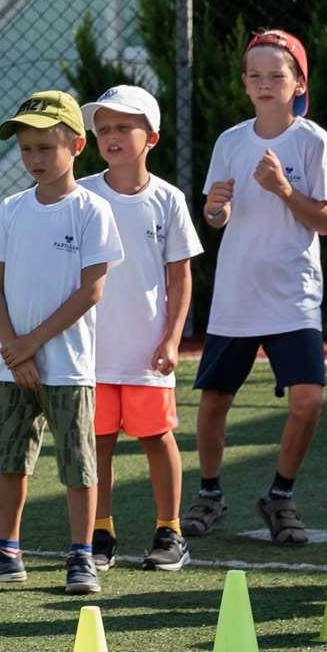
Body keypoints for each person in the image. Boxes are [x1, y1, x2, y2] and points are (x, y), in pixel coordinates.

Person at [0, 90, 125, 596]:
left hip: (66, 367)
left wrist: (31, 344)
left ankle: (81, 556)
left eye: (46, 148)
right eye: (26, 149)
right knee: (10, 460)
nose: (34, 160)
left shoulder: (92, 210)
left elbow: (92, 289)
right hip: (13, 365)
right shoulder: (10, 210)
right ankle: (7, 550)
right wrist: (12, 347)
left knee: (78, 462)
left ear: (76, 146)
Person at [187, 31, 327, 549]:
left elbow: (326, 220)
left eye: (277, 75)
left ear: (298, 82)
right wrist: (215, 208)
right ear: (245, 83)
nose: (265, 84)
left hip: (293, 294)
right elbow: (215, 215)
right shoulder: (230, 141)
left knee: (308, 402)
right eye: (255, 75)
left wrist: (284, 189)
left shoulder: (312, 141)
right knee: (214, 400)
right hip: (236, 294)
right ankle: (209, 494)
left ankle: (280, 493)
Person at [77, 82, 203, 573]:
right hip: (92, 353)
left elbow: (180, 275)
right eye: (103, 128)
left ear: (150, 137)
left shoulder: (168, 199)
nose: (111, 136)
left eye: (123, 126)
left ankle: (169, 531)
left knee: (158, 438)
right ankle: (100, 531)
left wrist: (171, 337)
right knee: (98, 442)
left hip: (148, 352)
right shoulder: (82, 194)